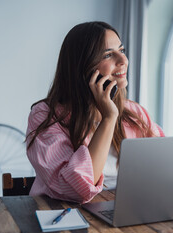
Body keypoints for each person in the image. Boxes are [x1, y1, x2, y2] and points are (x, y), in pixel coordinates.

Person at [26, 21, 164, 204]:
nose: (123, 61)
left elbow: (165, 166)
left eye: (121, 51)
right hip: (66, 215)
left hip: (126, 210)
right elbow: (76, 189)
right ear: (82, 66)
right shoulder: (45, 116)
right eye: (108, 55)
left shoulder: (134, 112)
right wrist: (109, 118)